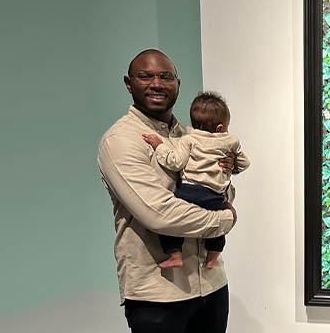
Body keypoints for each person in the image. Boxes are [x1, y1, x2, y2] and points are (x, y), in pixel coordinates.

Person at [98, 49, 236, 332]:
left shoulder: (193, 135)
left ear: (178, 84)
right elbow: (159, 213)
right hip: (158, 295)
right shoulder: (121, 141)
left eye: (166, 77)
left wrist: (226, 174)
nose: (157, 84)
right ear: (129, 83)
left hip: (211, 286)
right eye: (146, 76)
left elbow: (224, 193)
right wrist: (224, 220)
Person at [142, 91, 250, 270]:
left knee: (172, 223)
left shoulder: (189, 139)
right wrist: (234, 164)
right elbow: (245, 163)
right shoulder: (231, 140)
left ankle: (175, 254)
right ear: (220, 127)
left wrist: (158, 145)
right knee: (217, 229)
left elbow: (174, 162)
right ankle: (212, 258)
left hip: (189, 192)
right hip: (215, 195)